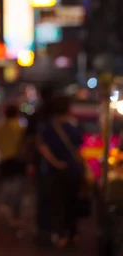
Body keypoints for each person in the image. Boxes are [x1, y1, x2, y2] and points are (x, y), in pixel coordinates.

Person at [38, 95, 83, 248]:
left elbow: (43, 148)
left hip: (54, 172)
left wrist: (56, 163)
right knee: (72, 202)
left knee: (57, 204)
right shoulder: (73, 127)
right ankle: (73, 233)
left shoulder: (47, 127)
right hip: (72, 171)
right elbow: (79, 148)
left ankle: (60, 234)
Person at [24, 85, 55, 243]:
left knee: (43, 197)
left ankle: (44, 230)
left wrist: (30, 161)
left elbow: (29, 139)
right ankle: (54, 230)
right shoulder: (56, 115)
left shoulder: (38, 115)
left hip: (42, 163)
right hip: (55, 164)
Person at [0, 105, 26, 227]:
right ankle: (13, 212)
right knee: (17, 187)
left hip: (5, 160)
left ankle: (5, 205)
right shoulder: (20, 128)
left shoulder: (0, 128)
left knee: (7, 184)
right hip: (18, 160)